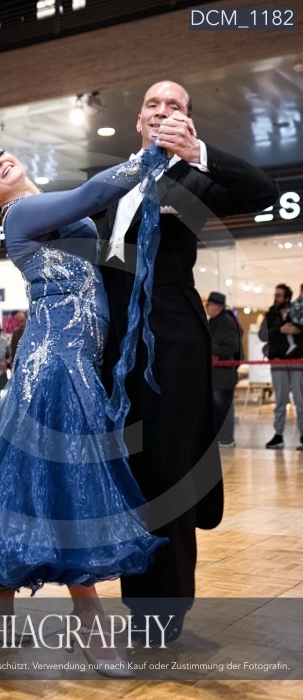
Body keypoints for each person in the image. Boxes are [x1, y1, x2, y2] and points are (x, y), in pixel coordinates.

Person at [0, 139, 171, 677]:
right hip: (55, 365)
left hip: (73, 361)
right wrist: (148, 154)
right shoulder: (20, 214)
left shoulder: (43, 206)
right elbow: (92, 194)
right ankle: (86, 620)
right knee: (69, 488)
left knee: (37, 488)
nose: (1, 161)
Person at [99, 80, 279, 641]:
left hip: (172, 341)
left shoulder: (197, 178)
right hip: (116, 345)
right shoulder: (111, 182)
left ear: (188, 121)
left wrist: (197, 151)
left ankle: (166, 608)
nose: (162, 111)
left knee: (169, 467)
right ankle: (137, 601)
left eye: (174, 105)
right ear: (138, 120)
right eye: (152, 104)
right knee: (131, 472)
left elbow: (262, 191)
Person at [259, 284, 303, 450]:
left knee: (300, 401)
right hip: (278, 362)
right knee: (280, 400)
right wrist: (280, 330)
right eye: (275, 295)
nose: (276, 298)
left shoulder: (298, 311)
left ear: (287, 297)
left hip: (297, 361)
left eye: (279, 295)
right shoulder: (270, 313)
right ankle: (278, 436)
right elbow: (262, 335)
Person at [205, 292, 243, 448]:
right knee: (216, 407)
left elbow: (233, 346)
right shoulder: (213, 322)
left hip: (223, 373)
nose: (206, 307)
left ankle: (227, 438)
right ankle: (219, 437)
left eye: (208, 304)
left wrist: (213, 350)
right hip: (215, 373)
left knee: (223, 406)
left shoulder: (226, 322)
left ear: (217, 306)